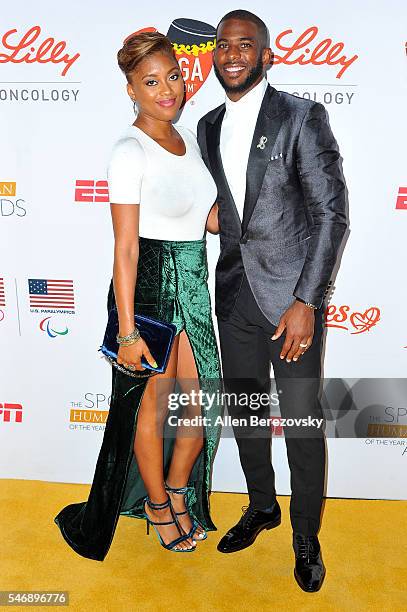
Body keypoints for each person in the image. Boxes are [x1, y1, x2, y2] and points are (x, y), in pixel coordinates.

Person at [54, 31, 222, 560]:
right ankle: (156, 505)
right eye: (151, 81)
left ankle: (177, 491)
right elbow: (125, 248)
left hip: (193, 286)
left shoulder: (190, 140)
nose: (167, 89)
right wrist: (127, 332)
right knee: (151, 411)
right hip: (147, 287)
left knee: (201, 408)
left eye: (173, 75)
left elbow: (204, 219)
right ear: (131, 89)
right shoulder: (128, 150)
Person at [197, 10, 348, 592]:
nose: (231, 53)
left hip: (291, 302)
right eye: (222, 45)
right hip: (233, 293)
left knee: (304, 426)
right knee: (248, 416)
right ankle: (263, 505)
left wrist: (307, 300)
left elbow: (331, 214)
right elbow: (230, 202)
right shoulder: (208, 127)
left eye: (244, 44)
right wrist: (217, 220)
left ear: (266, 55)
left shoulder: (302, 117)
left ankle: (305, 536)